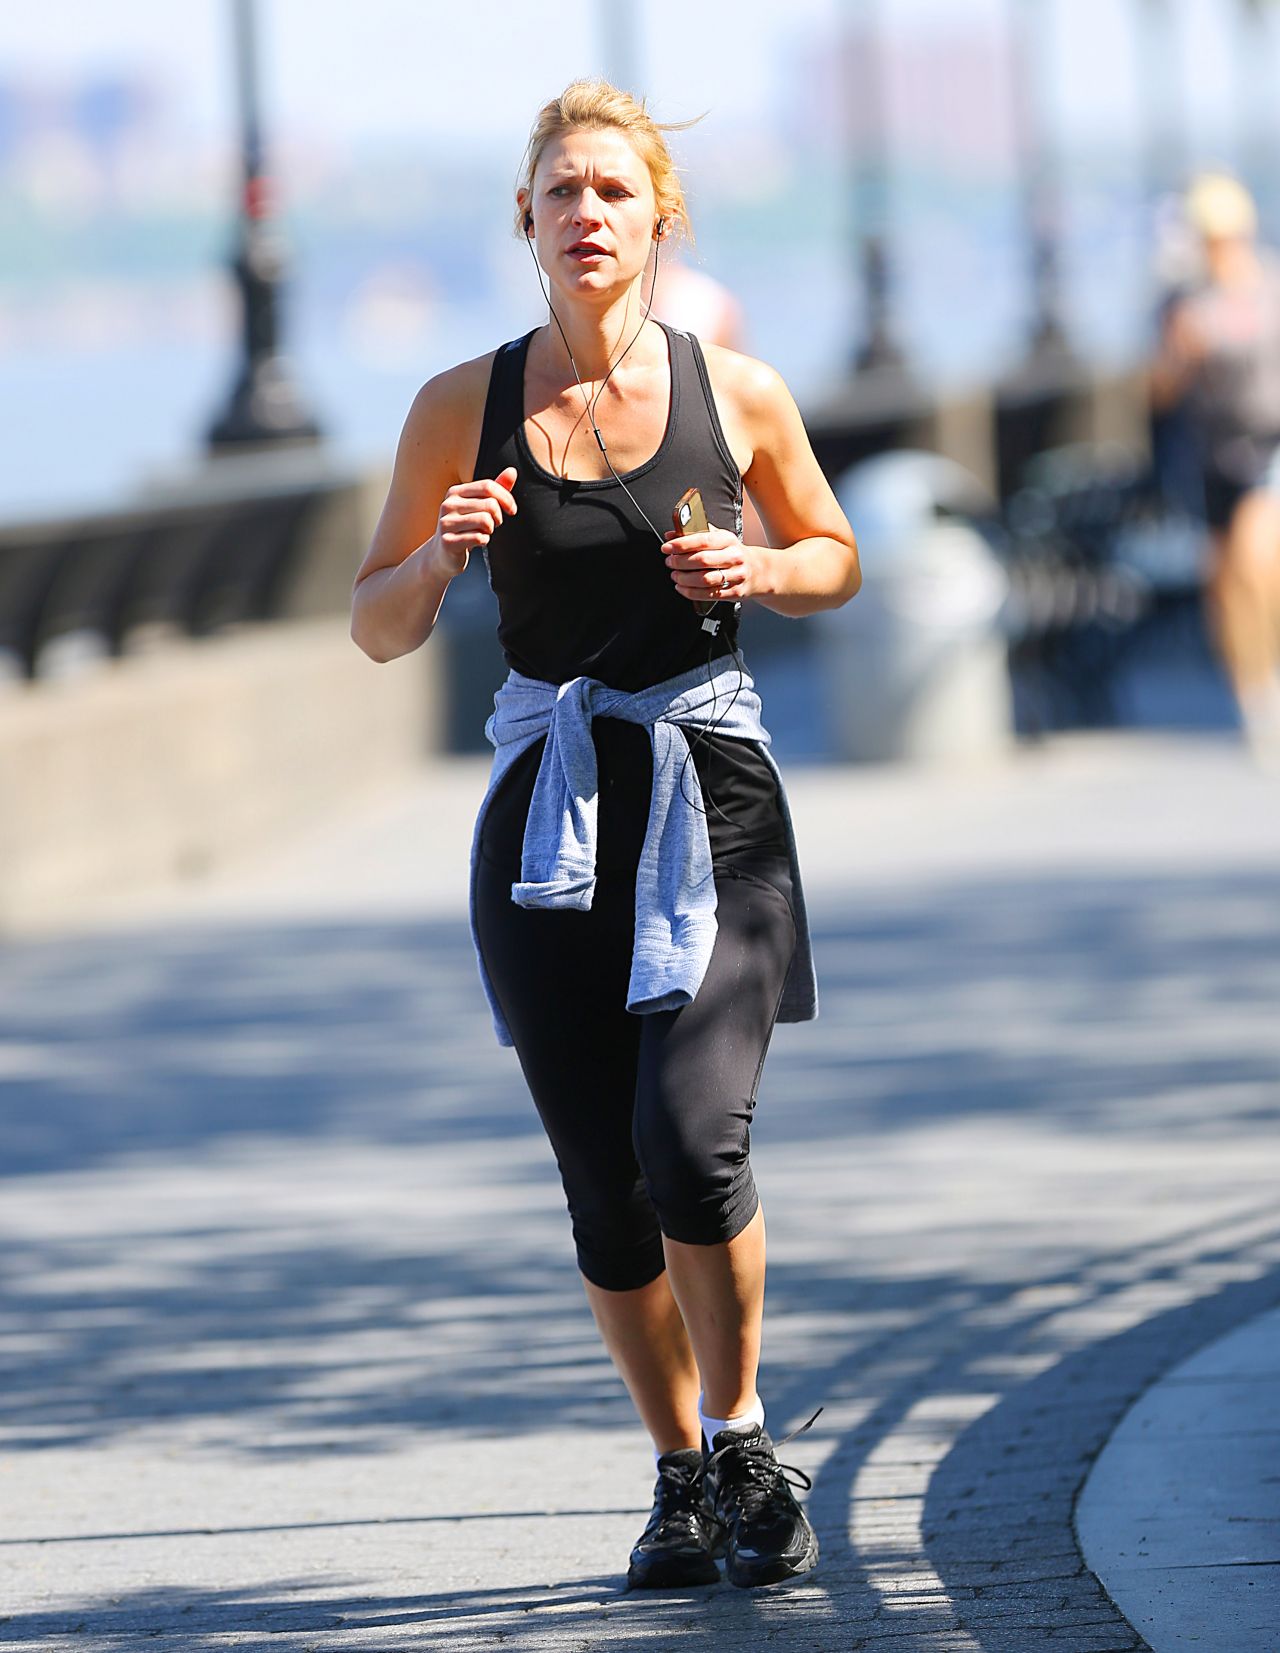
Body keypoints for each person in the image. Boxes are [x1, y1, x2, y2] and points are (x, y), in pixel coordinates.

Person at [350, 79, 860, 1590]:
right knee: (601, 1177)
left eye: (612, 192)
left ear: (660, 218)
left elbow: (837, 555)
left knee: (690, 1141)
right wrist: (437, 562)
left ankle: (747, 1431)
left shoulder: (736, 390)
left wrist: (760, 566)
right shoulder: (463, 403)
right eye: (560, 192)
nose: (586, 214)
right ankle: (677, 1475)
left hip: (711, 795)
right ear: (526, 220)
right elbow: (375, 629)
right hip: (544, 816)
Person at [1150, 171, 1280, 762]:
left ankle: (1270, 683)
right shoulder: (1184, 303)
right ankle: (1252, 695)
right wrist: (1178, 353)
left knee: (1259, 562)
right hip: (1210, 454)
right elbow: (1158, 393)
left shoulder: (1270, 288)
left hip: (1268, 442)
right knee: (1225, 585)